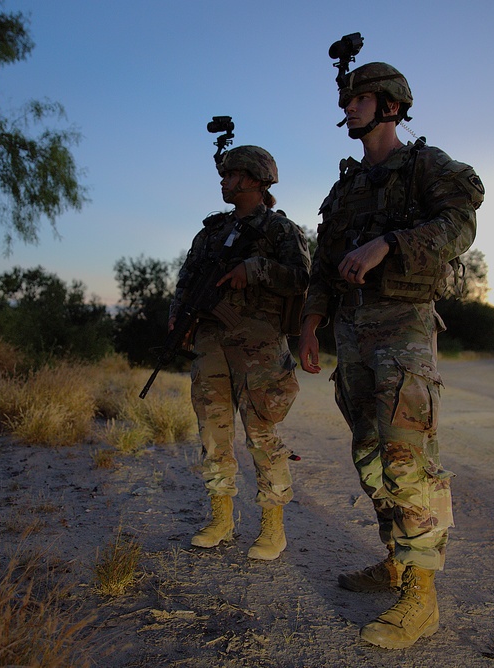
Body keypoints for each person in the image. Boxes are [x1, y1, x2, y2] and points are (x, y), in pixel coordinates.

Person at [298, 63, 484, 648]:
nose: (349, 107)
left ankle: (422, 597)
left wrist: (390, 243)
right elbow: (324, 265)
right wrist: (310, 324)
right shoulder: (345, 188)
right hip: (351, 331)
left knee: (407, 456)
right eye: (346, 100)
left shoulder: (426, 166)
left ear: (392, 106)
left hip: (403, 324)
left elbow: (459, 224)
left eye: (361, 98)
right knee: (369, 457)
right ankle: (397, 561)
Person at [172, 145, 310, 561]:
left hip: (259, 344)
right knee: (213, 432)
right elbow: (187, 278)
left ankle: (272, 527)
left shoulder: (280, 230)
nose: (224, 181)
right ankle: (221, 519)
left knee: (261, 433)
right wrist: (178, 318)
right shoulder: (212, 232)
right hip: (211, 342)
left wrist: (255, 269)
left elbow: (302, 278)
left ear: (253, 179)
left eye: (231, 175)